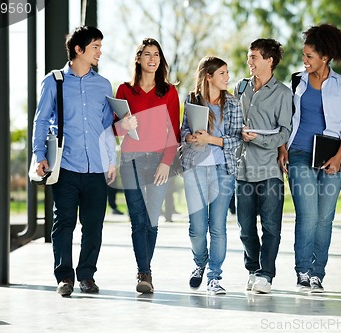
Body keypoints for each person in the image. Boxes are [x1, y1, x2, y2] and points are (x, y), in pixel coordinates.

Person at [32, 26, 116, 297]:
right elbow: (41, 120)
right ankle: (64, 277)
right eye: (95, 47)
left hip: (96, 168)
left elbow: (106, 126)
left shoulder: (103, 85)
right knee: (64, 223)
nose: (100, 52)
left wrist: (111, 160)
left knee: (93, 225)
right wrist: (39, 155)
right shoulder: (53, 81)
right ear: (79, 50)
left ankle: (87, 275)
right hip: (65, 166)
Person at [278, 24, 341, 293]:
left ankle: (317, 273)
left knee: (325, 218)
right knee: (308, 215)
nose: (305, 60)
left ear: (325, 57)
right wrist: (282, 147)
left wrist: (337, 157)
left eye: (309, 56)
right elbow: (287, 118)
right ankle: (302, 271)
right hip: (299, 153)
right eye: (304, 55)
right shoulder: (297, 80)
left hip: (333, 156)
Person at [114, 38, 180, 294]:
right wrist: (124, 126)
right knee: (138, 219)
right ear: (138, 59)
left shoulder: (169, 92)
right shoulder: (124, 91)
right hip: (130, 160)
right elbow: (113, 129)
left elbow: (173, 132)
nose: (153, 59)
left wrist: (166, 163)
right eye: (147, 54)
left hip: (158, 162)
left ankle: (145, 270)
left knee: (151, 220)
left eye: (157, 55)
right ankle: (145, 272)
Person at [235, 39, 292, 294]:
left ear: (269, 60)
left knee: (270, 227)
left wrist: (259, 139)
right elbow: (231, 120)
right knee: (245, 228)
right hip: (243, 169)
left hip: (269, 170)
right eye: (249, 57)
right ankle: (253, 269)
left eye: (254, 57)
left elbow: (284, 133)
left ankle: (266, 274)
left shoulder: (282, 93)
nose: (250, 62)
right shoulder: (241, 88)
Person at [181, 56, 243, 295]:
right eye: (223, 73)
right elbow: (184, 130)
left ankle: (214, 277)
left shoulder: (234, 104)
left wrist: (211, 140)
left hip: (223, 170)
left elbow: (237, 140)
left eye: (227, 73)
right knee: (196, 228)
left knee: (217, 227)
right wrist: (190, 137)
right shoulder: (192, 100)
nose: (227, 78)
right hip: (195, 168)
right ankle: (200, 264)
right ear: (209, 76)